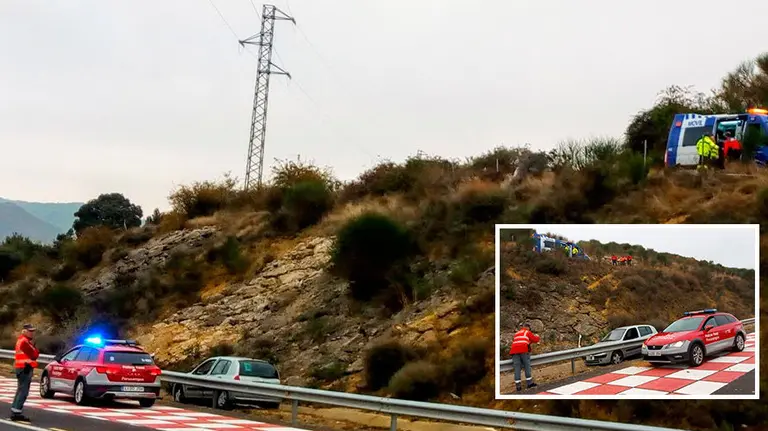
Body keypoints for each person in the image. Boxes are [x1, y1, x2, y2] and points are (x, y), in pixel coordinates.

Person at [11, 324, 39, 422]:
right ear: (24, 331)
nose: (32, 333)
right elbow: (34, 355)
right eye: (30, 331)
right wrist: (34, 348)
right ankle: (17, 412)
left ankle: (15, 410)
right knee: (23, 391)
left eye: (33, 331)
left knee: (20, 389)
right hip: (25, 368)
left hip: (22, 367)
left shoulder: (22, 340)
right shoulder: (25, 342)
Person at [508, 323, 540, 391]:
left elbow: (523, 341)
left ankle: (518, 386)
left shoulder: (517, 333)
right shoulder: (527, 332)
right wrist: (537, 337)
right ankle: (529, 383)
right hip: (523, 350)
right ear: (528, 327)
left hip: (514, 351)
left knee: (517, 368)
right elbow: (535, 339)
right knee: (526, 366)